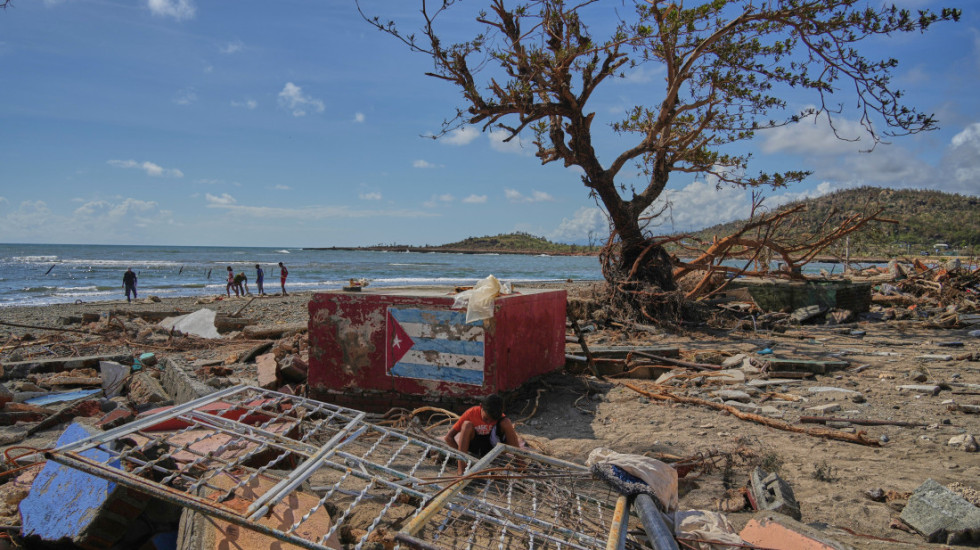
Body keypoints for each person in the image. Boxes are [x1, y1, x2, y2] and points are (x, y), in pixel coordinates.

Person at [444, 394, 521, 475]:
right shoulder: (471, 413)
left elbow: (509, 439)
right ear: (481, 406)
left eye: (492, 420)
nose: (488, 422)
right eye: (486, 419)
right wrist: (462, 455)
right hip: (474, 446)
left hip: (492, 448)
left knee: (507, 422)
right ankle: (461, 470)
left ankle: (521, 464)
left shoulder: (500, 417)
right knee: (467, 425)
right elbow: (448, 438)